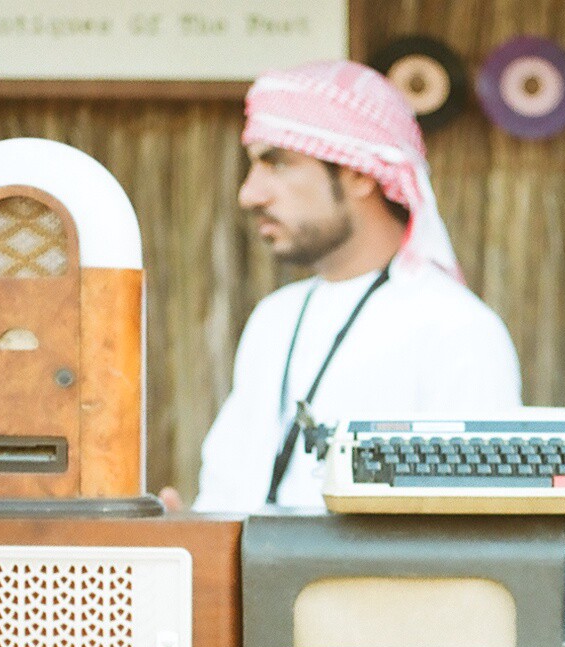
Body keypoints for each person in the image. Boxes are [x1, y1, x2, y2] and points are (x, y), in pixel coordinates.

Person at [179, 60, 522, 514]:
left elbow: (470, 536)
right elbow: (227, 495)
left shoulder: (455, 331)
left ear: (361, 173)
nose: (250, 194)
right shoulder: (275, 317)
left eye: (277, 164)